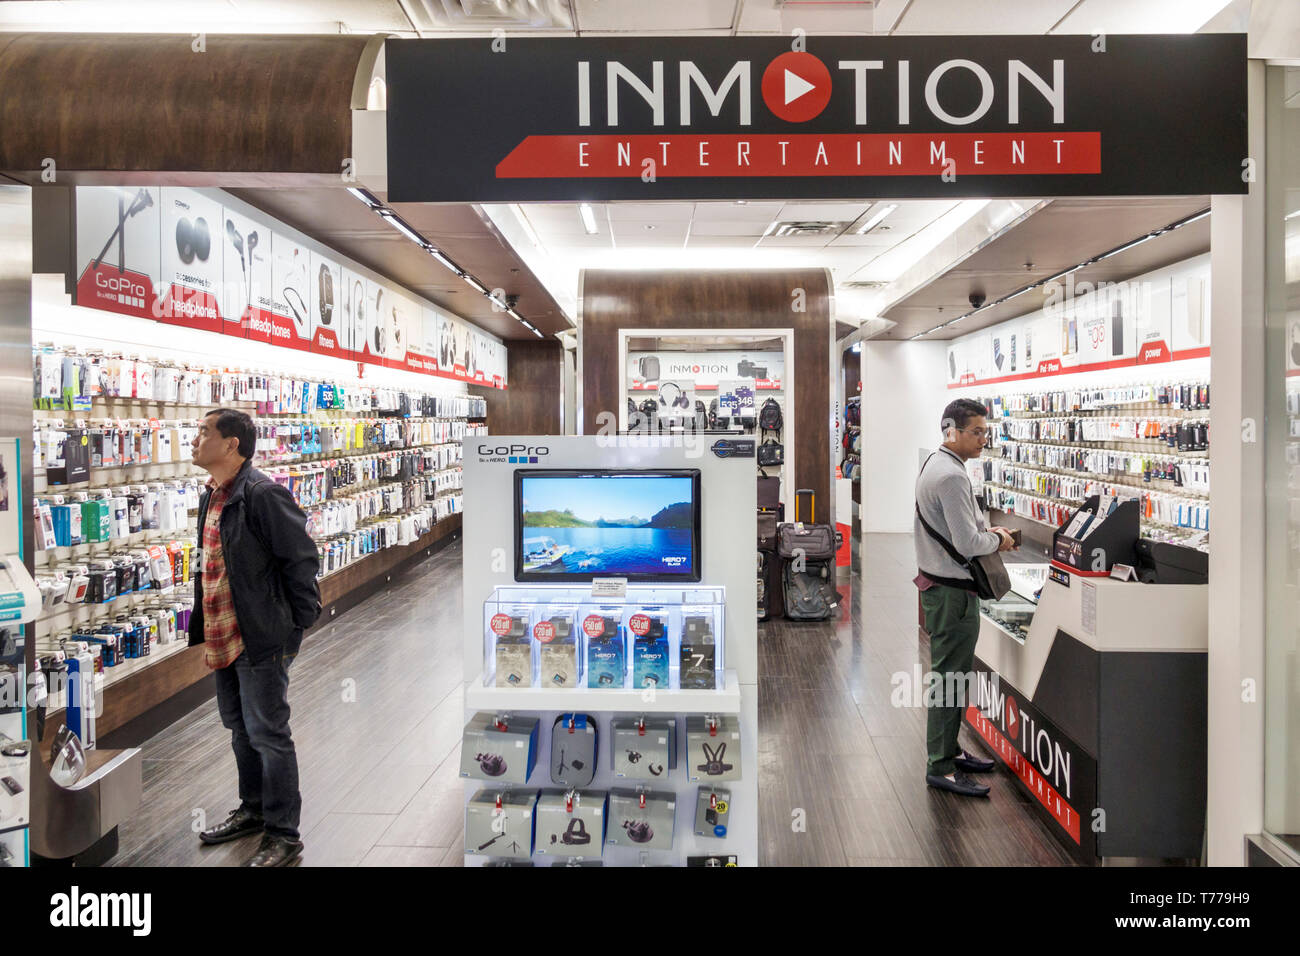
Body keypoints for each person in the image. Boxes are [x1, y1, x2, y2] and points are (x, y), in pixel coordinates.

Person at [189, 408, 321, 866]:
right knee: (239, 728)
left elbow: (301, 558)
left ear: (231, 445)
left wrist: (295, 624)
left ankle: (283, 833)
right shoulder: (214, 496)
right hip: (224, 634)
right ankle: (254, 809)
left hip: (262, 635)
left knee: (268, 733)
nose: (195, 439)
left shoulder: (262, 494)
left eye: (204, 432)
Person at [913, 398, 1017, 797]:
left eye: (985, 433)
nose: (982, 440)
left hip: (943, 589)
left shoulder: (936, 464)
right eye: (976, 432)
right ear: (951, 430)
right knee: (949, 678)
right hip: (952, 594)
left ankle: (949, 750)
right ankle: (940, 766)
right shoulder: (952, 477)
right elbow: (969, 542)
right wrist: (1000, 540)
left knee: (952, 676)